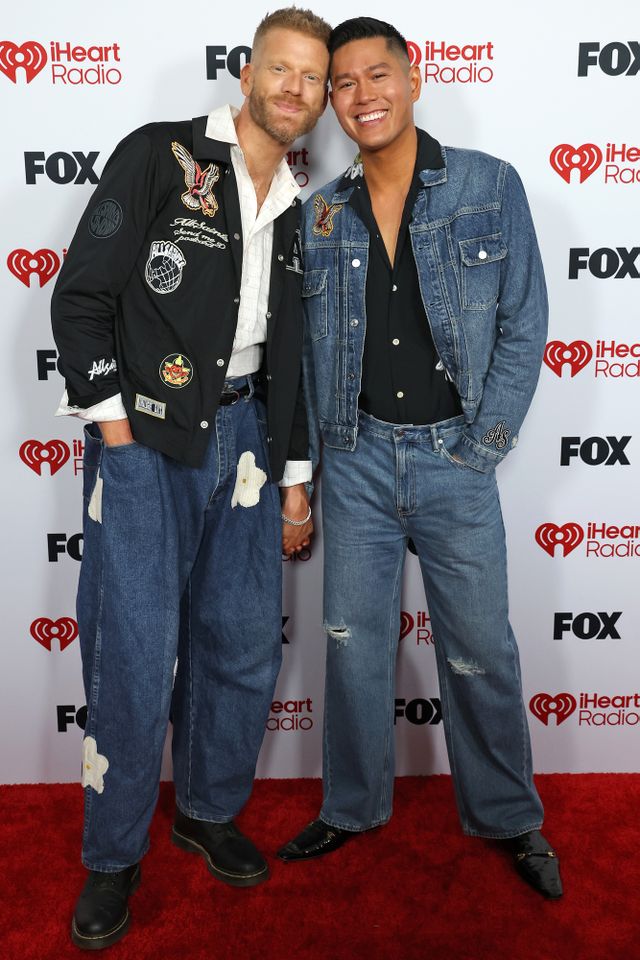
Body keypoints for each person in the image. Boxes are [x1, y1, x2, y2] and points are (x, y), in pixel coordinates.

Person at [51, 8, 330, 949]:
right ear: (250, 71)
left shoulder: (300, 203)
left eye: (314, 80)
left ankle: (208, 809)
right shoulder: (161, 154)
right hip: (150, 443)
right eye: (283, 70)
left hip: (251, 436)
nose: (297, 91)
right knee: (133, 653)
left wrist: (295, 477)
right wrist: (117, 437)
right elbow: (81, 297)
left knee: (242, 642)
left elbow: (291, 354)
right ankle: (112, 855)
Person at [277, 17, 562, 899]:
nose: (361, 96)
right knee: (353, 647)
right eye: (344, 85)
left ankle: (510, 817)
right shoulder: (319, 211)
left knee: (481, 650)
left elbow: (525, 322)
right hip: (356, 462)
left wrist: (482, 448)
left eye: (377, 76)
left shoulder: (488, 185)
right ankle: (351, 806)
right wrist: (307, 482)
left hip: (454, 462)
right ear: (332, 103)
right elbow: (304, 358)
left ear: (413, 78)